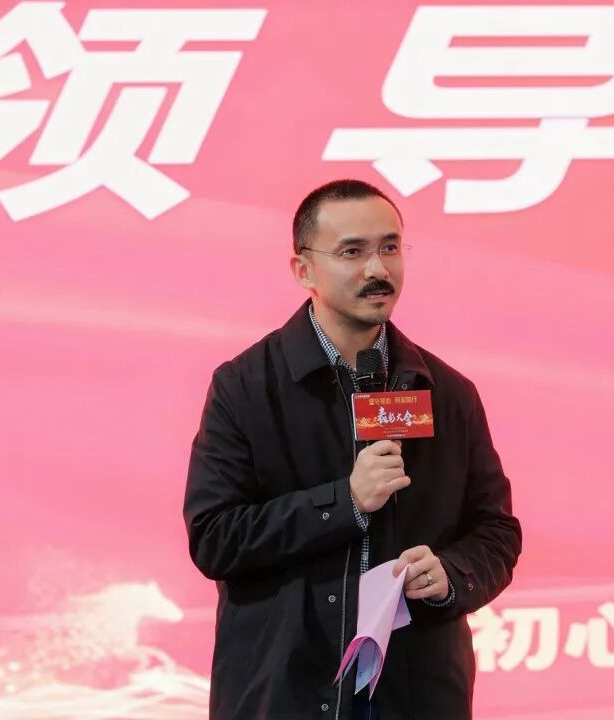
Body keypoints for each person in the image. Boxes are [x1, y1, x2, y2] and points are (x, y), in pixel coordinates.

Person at [184, 179, 522, 720]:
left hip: (414, 693)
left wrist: (451, 575)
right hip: (286, 691)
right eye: (352, 252)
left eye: (390, 247)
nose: (377, 269)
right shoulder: (245, 388)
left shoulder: (447, 392)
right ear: (304, 270)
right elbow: (215, 538)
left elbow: (496, 531)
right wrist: (345, 502)